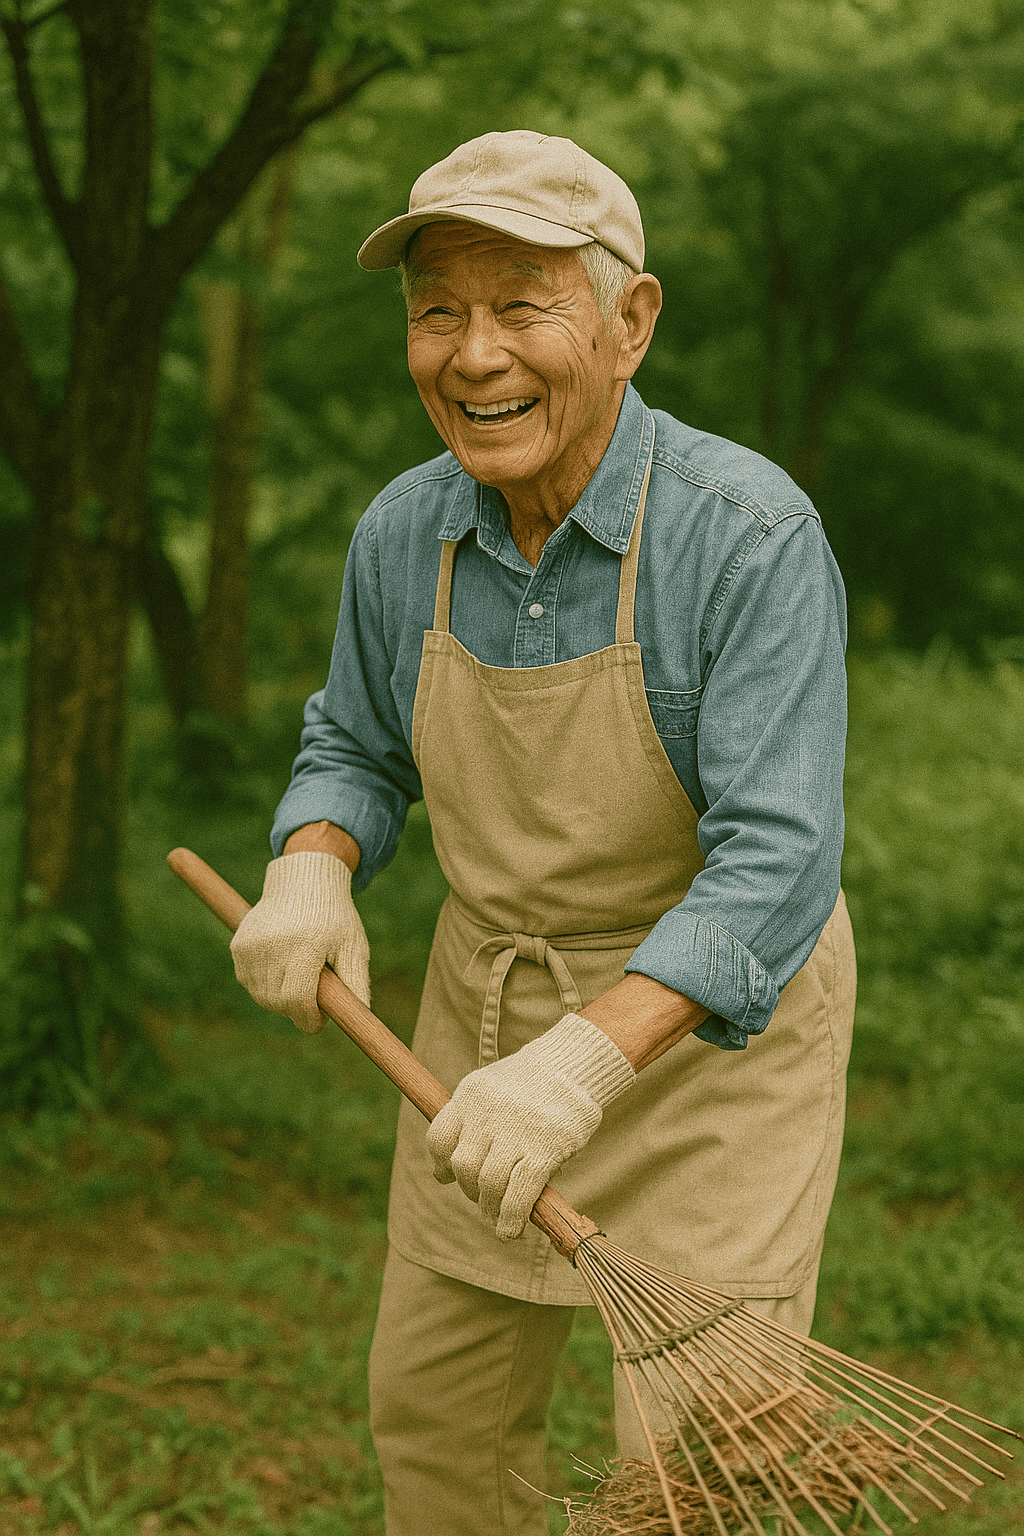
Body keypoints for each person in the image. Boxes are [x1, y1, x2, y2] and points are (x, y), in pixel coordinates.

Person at [230, 130, 856, 1536]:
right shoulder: (404, 534)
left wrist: (583, 1063)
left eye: (522, 306)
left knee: (707, 1472)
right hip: (486, 1027)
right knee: (439, 1426)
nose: (474, 354)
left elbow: (778, 860)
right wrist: (312, 863)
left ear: (631, 324)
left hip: (712, 1057)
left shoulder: (746, 535)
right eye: (437, 311)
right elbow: (354, 744)